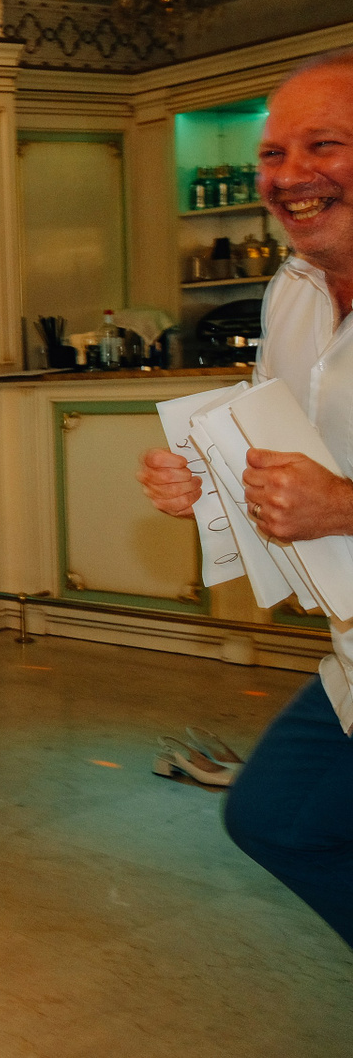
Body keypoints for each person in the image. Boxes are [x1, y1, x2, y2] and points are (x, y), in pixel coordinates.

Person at [137, 48, 353, 947]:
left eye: (323, 145)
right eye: (272, 153)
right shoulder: (289, 294)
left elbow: (332, 494)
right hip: (349, 647)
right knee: (274, 817)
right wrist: (203, 479)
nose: (291, 175)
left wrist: (345, 506)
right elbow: (271, 439)